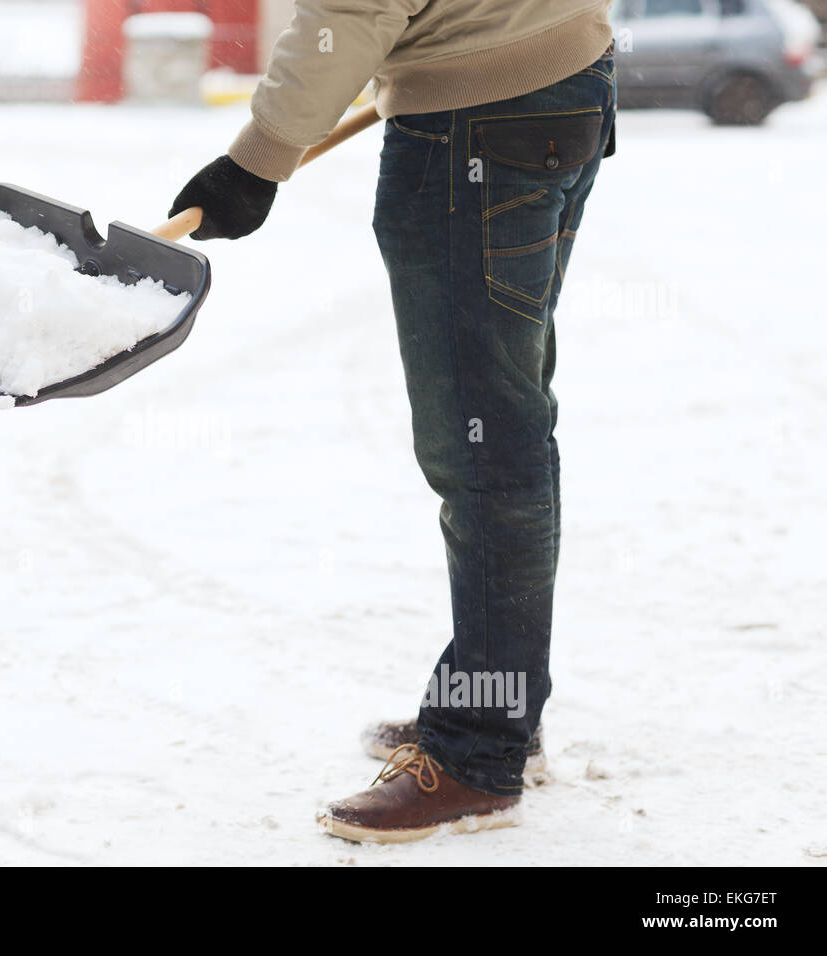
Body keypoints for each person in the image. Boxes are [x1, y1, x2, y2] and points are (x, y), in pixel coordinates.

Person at [169, 0, 617, 843]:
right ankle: (500, 705)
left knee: (484, 438)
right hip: (562, 81)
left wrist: (255, 161)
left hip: (477, 128)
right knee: (508, 413)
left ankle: (480, 751)